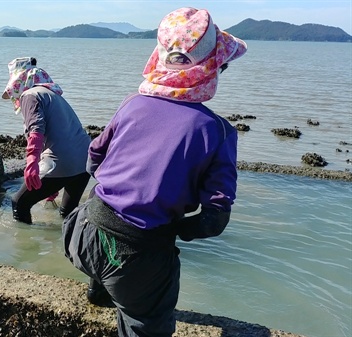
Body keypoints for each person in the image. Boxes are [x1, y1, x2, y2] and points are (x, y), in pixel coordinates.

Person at [62, 7, 247, 337]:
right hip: (137, 257)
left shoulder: (132, 103)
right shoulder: (218, 132)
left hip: (82, 233)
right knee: (149, 324)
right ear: (216, 68)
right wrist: (175, 229)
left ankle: (99, 291)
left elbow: (94, 158)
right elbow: (214, 219)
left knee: (114, 271)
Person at [2, 57, 91, 224]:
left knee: (19, 202)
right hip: (84, 162)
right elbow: (61, 134)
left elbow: (36, 131)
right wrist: (50, 182)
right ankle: (67, 247)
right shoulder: (53, 95)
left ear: (18, 82)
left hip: (62, 161)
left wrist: (32, 164)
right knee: (68, 213)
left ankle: (25, 248)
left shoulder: (29, 95)